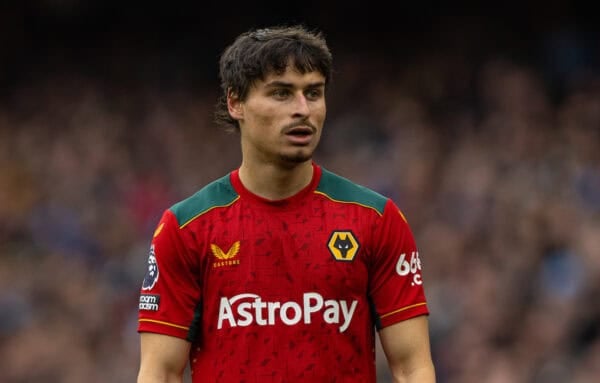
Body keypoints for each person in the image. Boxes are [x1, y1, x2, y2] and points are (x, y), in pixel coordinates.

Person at [136, 24, 436, 383]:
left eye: (313, 93)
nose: (302, 109)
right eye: (281, 93)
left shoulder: (375, 219)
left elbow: (412, 368)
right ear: (235, 102)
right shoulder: (185, 228)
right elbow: (160, 373)